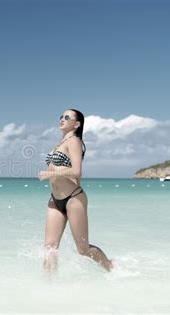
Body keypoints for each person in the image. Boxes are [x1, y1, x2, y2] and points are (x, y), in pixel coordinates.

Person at [38, 108, 113, 273]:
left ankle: (110, 267)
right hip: (55, 200)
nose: (62, 119)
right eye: (60, 116)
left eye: (67, 117)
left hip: (73, 198)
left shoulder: (74, 142)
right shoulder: (60, 143)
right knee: (49, 248)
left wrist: (50, 173)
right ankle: (48, 286)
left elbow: (77, 171)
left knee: (83, 249)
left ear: (77, 124)